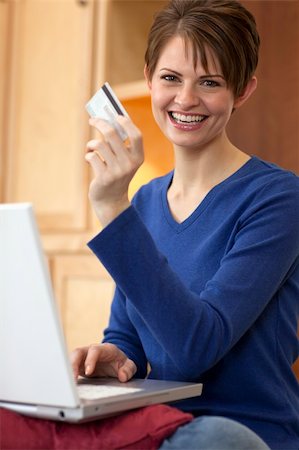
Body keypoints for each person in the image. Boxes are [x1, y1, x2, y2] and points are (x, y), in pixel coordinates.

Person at [71, 1, 299, 448]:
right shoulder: (147, 199)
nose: (186, 99)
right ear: (150, 78)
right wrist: (115, 358)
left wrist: (114, 209)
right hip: (159, 425)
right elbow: (128, 337)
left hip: (243, 433)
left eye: (209, 83)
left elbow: (196, 348)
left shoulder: (280, 199)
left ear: (242, 90)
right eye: (171, 78)